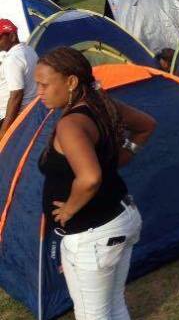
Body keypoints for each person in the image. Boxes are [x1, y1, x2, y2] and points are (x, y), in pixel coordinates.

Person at [36, 47, 156, 319]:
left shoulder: (71, 125)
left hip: (95, 234)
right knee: (113, 305)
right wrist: (119, 158)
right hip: (118, 219)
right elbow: (146, 125)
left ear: (71, 82)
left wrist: (68, 210)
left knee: (93, 314)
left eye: (44, 84)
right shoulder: (101, 104)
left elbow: (90, 178)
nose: (39, 91)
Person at [0, 19, 37, 138]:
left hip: (13, 116)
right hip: (30, 110)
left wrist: (4, 131)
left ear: (12, 36)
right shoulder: (29, 50)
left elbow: (16, 96)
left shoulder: (13, 59)